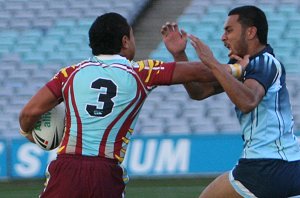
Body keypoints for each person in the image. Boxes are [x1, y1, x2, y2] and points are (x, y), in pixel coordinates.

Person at [18, 12, 248, 198]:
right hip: (106, 173)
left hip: (67, 168)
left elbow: (30, 112)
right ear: (125, 41)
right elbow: (199, 72)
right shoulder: (140, 72)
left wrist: (28, 131)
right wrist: (238, 68)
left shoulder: (69, 74)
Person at [162, 5, 300, 198]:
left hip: (264, 164)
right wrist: (179, 55)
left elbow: (248, 101)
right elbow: (199, 91)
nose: (223, 37)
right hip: (287, 164)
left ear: (251, 32)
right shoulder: (242, 67)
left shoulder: (264, 62)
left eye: (229, 30)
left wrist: (212, 62)